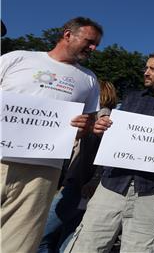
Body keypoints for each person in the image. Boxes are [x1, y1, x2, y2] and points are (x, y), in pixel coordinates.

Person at [65, 51, 154, 253]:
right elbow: (116, 138)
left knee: (141, 248)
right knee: (88, 243)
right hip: (112, 184)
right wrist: (102, 130)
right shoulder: (131, 98)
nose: (146, 72)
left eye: (153, 69)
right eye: (146, 68)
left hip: (150, 190)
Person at [0, 16, 103, 253]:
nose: (93, 48)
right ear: (68, 35)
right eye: (89, 41)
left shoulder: (88, 79)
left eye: (96, 43)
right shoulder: (17, 58)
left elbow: (87, 125)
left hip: (43, 169)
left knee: (20, 239)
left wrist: (82, 128)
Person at [38, 80, 118, 253]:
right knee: (69, 235)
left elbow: (103, 154)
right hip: (83, 185)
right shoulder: (97, 117)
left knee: (41, 235)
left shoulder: (101, 117)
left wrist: (94, 179)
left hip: (78, 184)